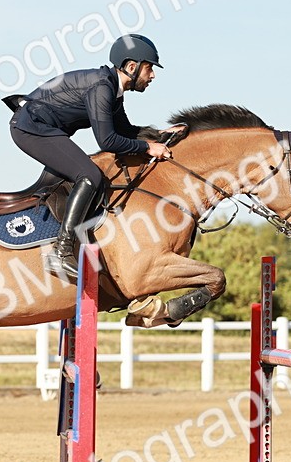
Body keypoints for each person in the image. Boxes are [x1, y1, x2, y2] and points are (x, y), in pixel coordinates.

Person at [10, 34, 174, 279]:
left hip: (43, 128)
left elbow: (126, 131)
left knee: (85, 172)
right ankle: (61, 251)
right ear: (132, 67)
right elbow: (107, 141)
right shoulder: (102, 88)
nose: (152, 76)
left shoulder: (113, 90)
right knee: (89, 175)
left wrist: (159, 135)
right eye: (149, 69)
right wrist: (148, 148)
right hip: (31, 128)